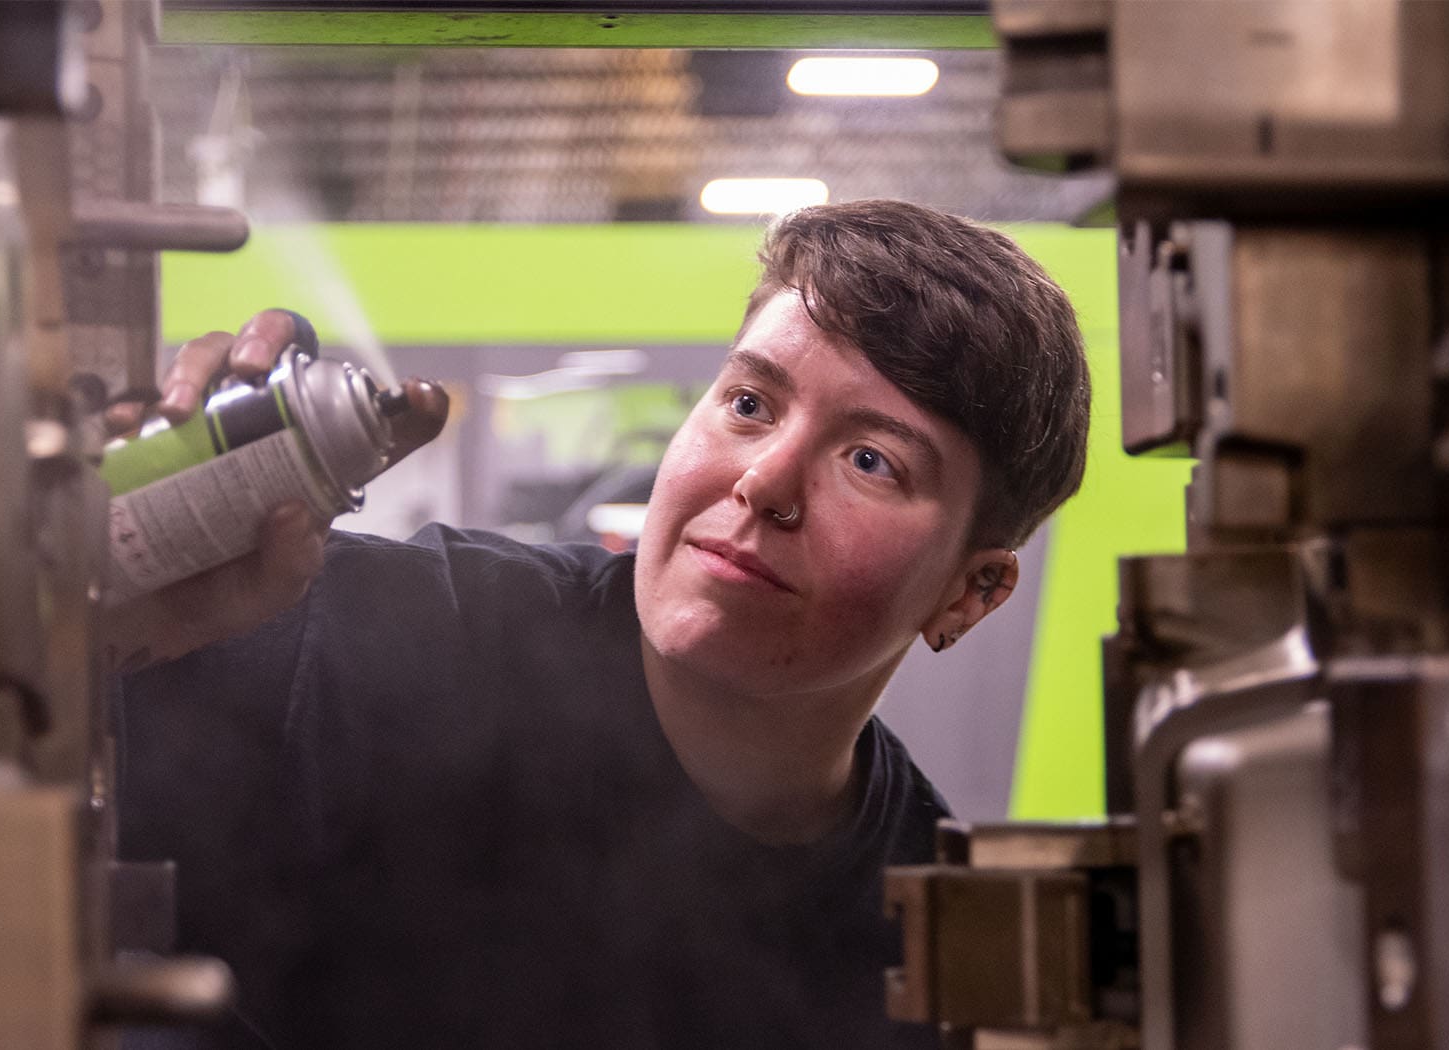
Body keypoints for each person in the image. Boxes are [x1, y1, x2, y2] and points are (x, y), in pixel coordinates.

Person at [114, 199, 1092, 1050]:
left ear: (971, 593)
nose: (764, 482)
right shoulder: (382, 638)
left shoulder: (931, 938)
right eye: (751, 402)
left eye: (872, 461)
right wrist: (133, 618)